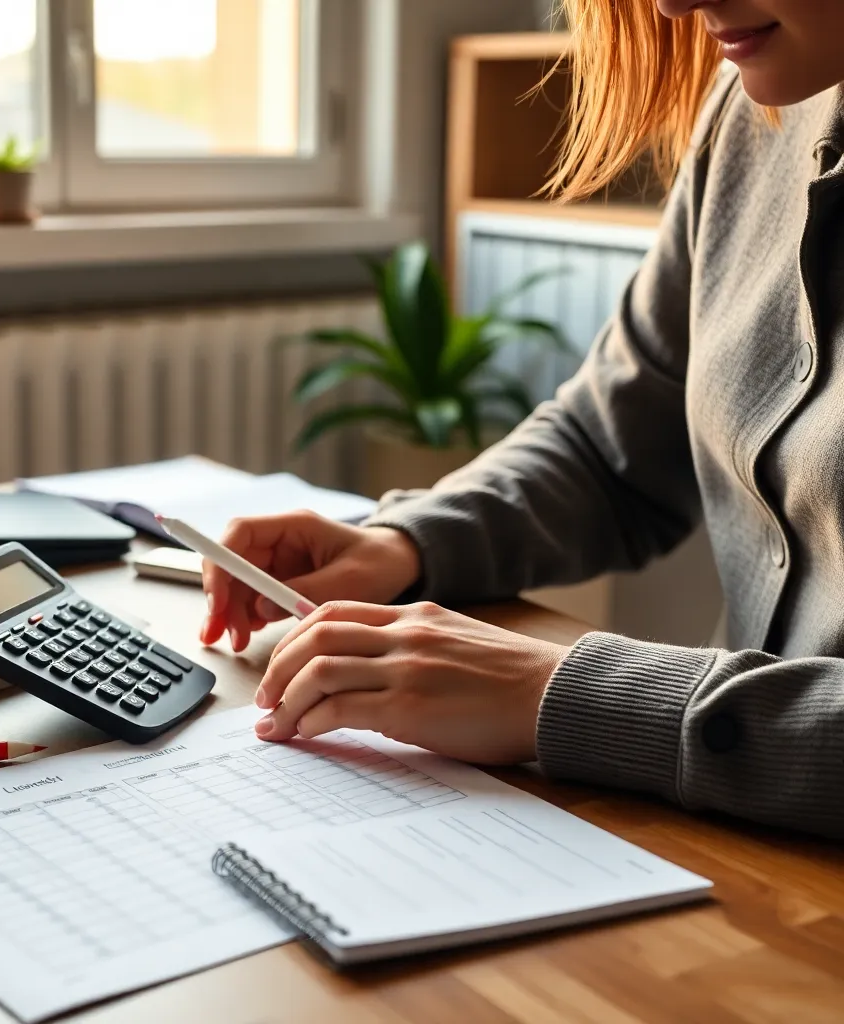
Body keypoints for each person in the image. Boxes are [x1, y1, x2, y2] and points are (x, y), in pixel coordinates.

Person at [200, 0, 844, 842]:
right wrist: (407, 542)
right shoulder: (750, 114)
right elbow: (608, 446)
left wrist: (570, 694)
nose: (672, 5)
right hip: (747, 857)